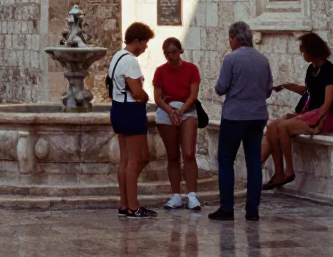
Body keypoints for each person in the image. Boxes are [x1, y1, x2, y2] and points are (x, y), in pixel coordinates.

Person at [210, 21, 273, 223]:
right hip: (257, 116)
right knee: (254, 161)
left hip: (235, 116)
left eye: (230, 39)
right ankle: (252, 210)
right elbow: (268, 90)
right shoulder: (263, 60)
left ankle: (227, 208)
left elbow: (221, 87)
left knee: (226, 160)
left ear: (234, 38)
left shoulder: (231, 59)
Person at [263, 32, 333, 190]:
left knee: (283, 127)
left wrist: (317, 120)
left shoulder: (329, 71)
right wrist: (286, 86)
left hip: (322, 118)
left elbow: (327, 103)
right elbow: (308, 90)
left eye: (303, 50)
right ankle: (278, 172)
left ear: (312, 50)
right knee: (271, 127)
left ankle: (289, 171)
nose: (301, 53)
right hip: (308, 114)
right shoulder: (311, 69)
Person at [108, 22, 157, 220]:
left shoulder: (117, 57)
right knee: (134, 160)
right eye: (145, 43)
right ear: (136, 41)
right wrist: (145, 97)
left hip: (118, 109)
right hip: (130, 110)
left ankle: (125, 203)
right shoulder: (130, 61)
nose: (146, 48)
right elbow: (137, 92)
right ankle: (133, 206)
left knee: (128, 159)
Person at [153, 37, 202, 212]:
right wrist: (170, 111)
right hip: (167, 112)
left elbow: (193, 95)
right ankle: (175, 195)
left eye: (172, 52)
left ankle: (192, 195)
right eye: (166, 52)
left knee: (188, 153)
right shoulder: (160, 71)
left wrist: (181, 111)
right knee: (173, 155)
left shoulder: (191, 69)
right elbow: (157, 97)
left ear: (180, 51)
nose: (169, 55)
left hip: (186, 111)